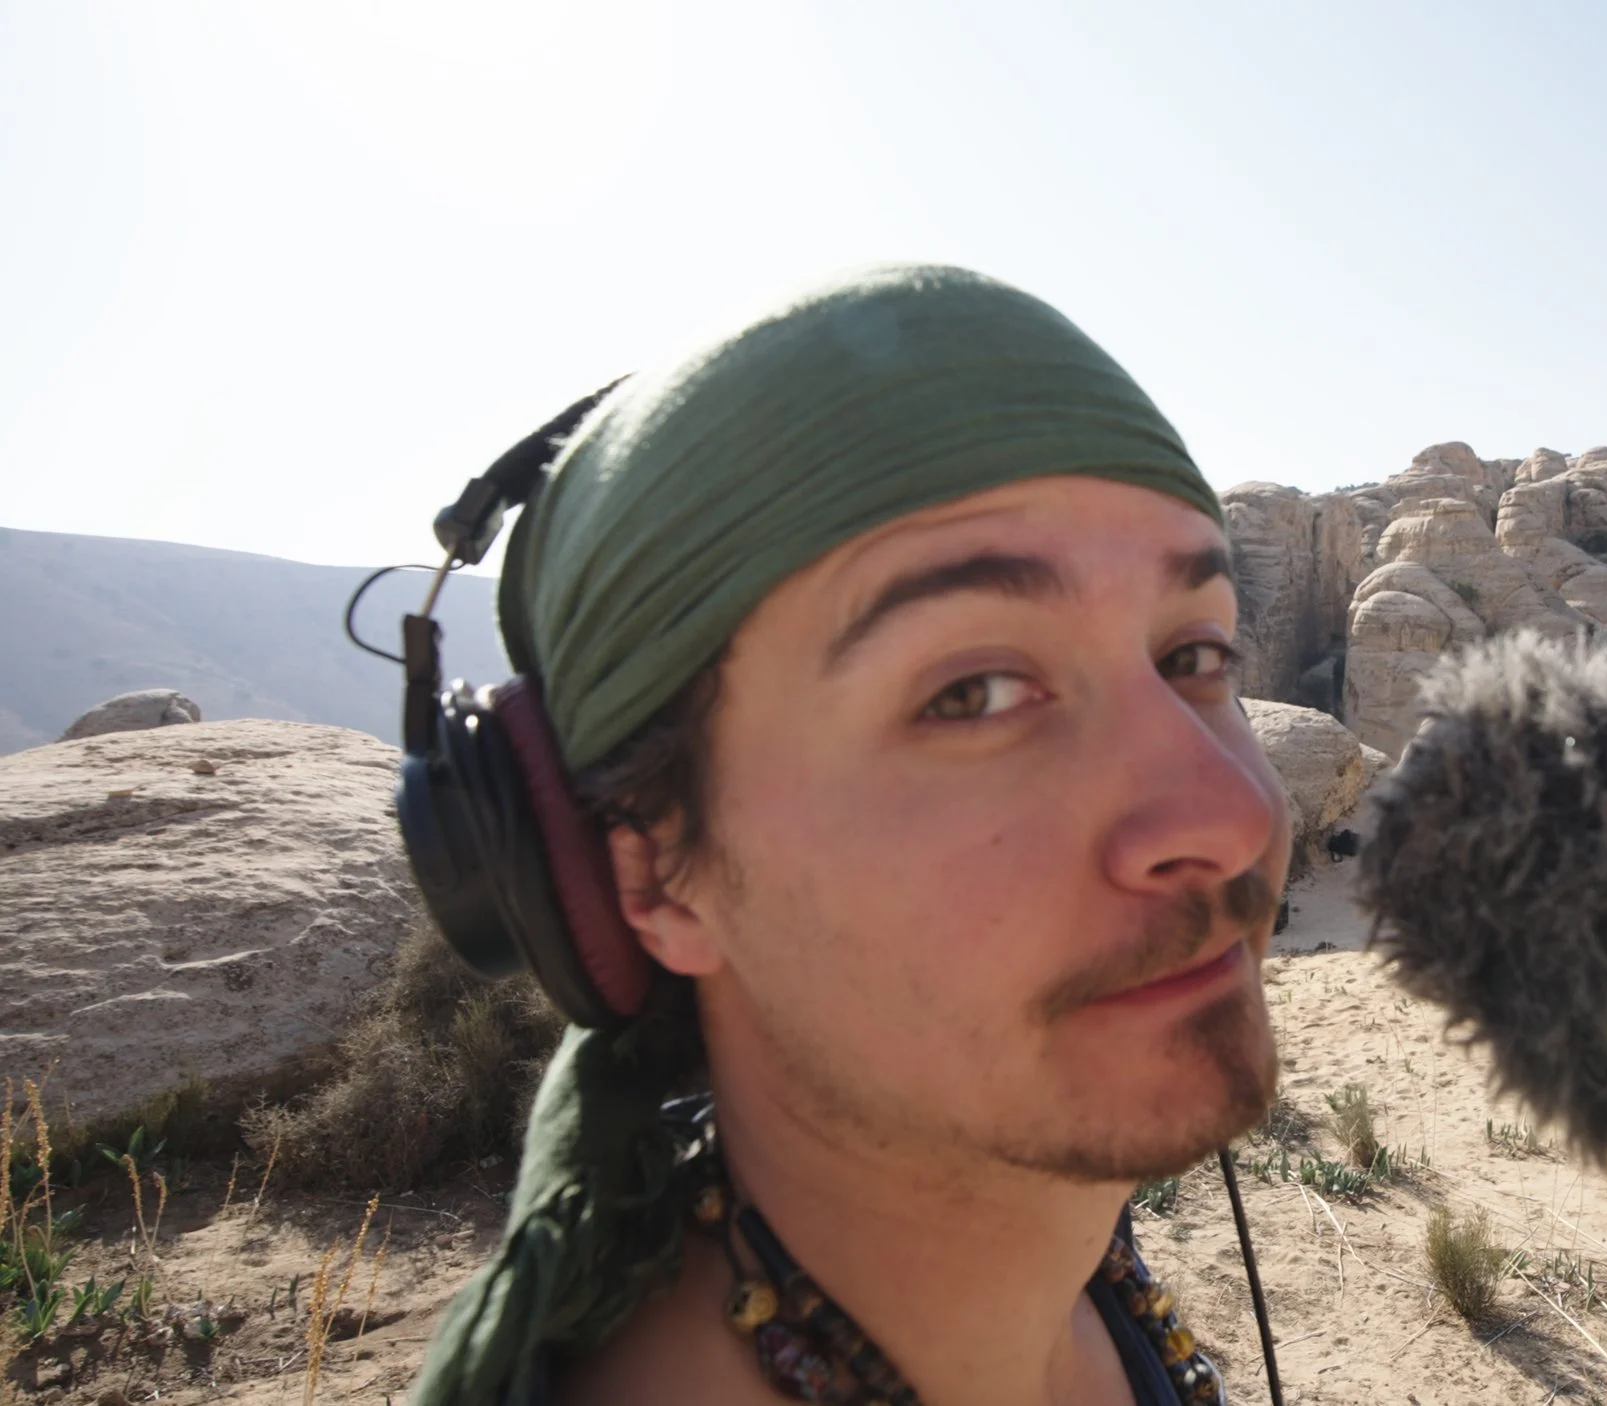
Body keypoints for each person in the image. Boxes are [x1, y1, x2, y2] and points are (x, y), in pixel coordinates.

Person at [409, 265, 1290, 1405]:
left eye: (1195, 656)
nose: (1230, 816)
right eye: (972, 693)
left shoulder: (1095, 1301)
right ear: (655, 875)